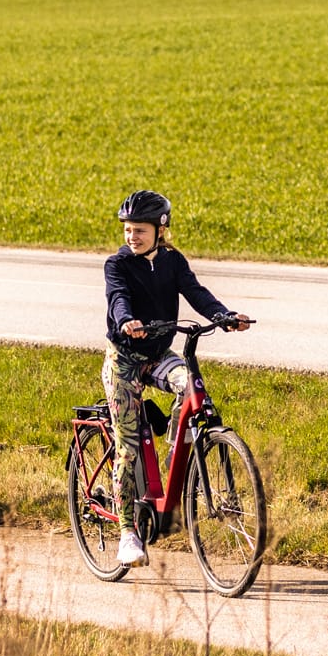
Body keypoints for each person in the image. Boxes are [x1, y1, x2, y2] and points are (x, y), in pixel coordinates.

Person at [102, 189, 251, 565]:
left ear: (160, 228)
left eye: (139, 230)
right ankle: (127, 534)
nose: (131, 237)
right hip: (124, 361)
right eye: (128, 230)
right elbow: (118, 297)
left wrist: (223, 315)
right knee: (129, 445)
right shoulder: (116, 265)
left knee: (193, 391)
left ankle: (175, 448)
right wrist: (126, 321)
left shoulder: (172, 261)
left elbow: (196, 293)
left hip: (158, 356)